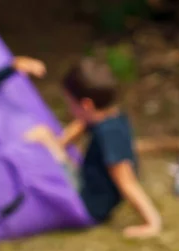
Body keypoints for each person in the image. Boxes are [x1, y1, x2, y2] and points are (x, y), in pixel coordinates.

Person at [24, 57, 162, 239]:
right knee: (46, 139)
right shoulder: (108, 115)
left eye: (70, 104)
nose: (69, 109)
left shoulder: (110, 134)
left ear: (86, 104)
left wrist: (152, 222)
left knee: (42, 135)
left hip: (86, 207)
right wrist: (60, 145)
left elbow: (127, 181)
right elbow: (81, 124)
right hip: (85, 187)